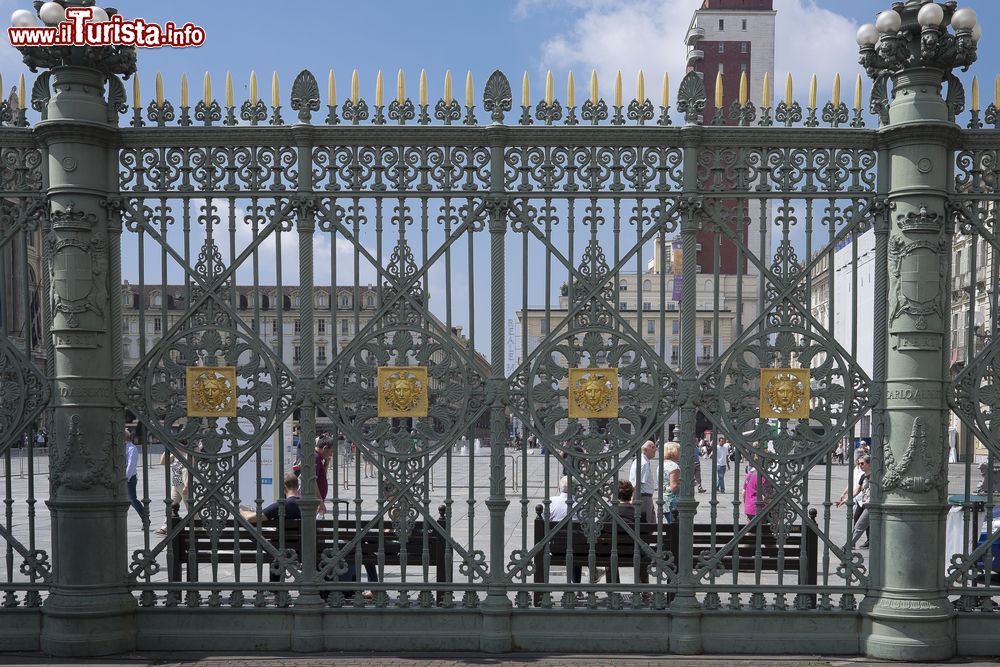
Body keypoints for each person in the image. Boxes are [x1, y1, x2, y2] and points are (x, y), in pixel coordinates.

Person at [835, 454, 872, 549]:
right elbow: (856, 490)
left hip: (872, 504)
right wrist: (845, 499)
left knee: (859, 526)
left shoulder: (875, 475)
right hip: (865, 504)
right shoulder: (863, 476)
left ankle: (848, 546)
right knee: (858, 525)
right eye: (859, 464)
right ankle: (851, 544)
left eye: (862, 463)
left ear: (869, 464)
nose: (860, 465)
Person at [156, 450, 191, 535]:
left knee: (190, 508)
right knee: (170, 506)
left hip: (184, 486)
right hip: (175, 485)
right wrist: (167, 449)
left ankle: (198, 526)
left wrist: (186, 486)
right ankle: (166, 527)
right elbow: (162, 462)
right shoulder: (175, 454)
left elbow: (188, 471)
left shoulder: (187, 455)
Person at [628, 440, 658, 522]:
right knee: (646, 524)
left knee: (650, 523)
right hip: (643, 498)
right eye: (652, 447)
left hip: (644, 497)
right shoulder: (643, 463)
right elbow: (637, 483)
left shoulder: (640, 461)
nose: (656, 449)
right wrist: (631, 499)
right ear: (645, 449)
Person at [124, 429, 145, 523]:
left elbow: (131, 465)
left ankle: (145, 518)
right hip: (122, 478)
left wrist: (126, 478)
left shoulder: (132, 448)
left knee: (132, 500)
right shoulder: (122, 447)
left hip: (129, 478)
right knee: (124, 501)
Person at [315, 436, 334, 517]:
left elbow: (321, 476)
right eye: (331, 451)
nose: (331, 454)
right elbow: (313, 481)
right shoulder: (315, 457)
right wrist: (320, 502)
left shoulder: (319, 458)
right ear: (325, 448)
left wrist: (326, 463)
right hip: (315, 501)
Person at [662, 441, 681, 524]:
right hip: (672, 500)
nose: (680, 453)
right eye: (679, 450)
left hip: (663, 498)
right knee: (676, 526)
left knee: (670, 524)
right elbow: (673, 486)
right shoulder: (674, 466)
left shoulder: (661, 464)